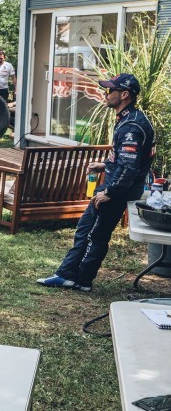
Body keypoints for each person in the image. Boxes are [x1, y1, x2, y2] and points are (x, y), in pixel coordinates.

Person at [38, 73, 154, 292]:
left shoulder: (132, 126)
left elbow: (129, 168)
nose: (105, 93)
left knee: (93, 233)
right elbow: (126, 159)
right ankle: (76, 278)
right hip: (118, 184)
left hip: (117, 189)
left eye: (110, 90)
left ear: (124, 94)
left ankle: (74, 278)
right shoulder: (129, 119)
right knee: (90, 231)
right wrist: (104, 165)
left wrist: (109, 192)